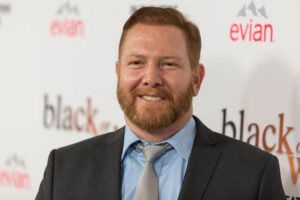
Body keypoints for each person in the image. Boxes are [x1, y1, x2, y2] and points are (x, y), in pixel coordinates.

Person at [36, 7, 286, 200]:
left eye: (168, 64)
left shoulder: (254, 175)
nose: (151, 78)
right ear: (118, 73)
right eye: (136, 63)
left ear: (197, 79)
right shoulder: (65, 168)